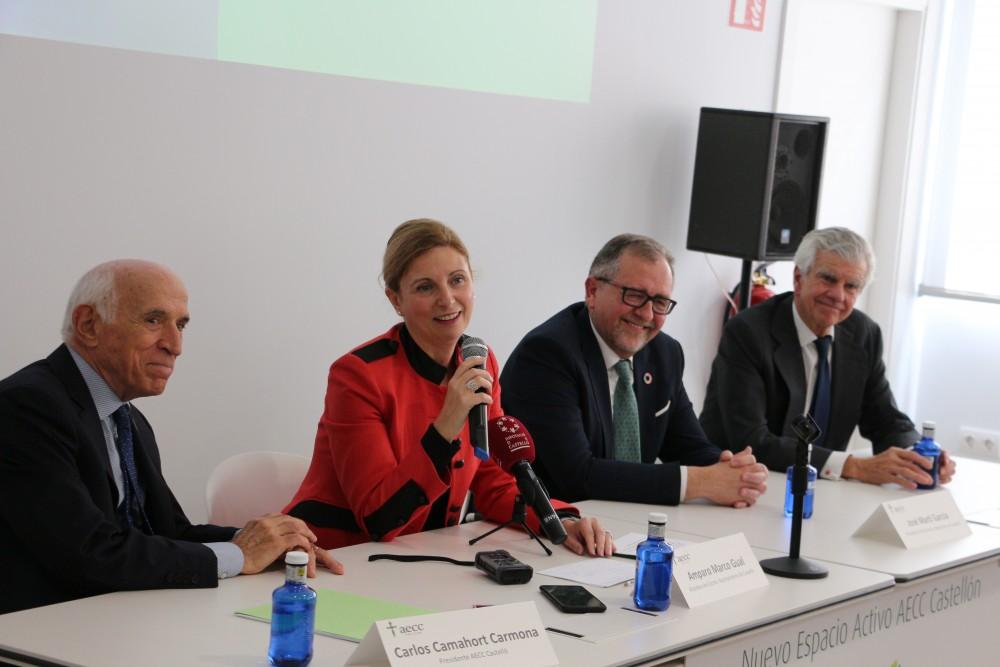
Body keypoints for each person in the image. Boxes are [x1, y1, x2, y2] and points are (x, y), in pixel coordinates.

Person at [0, 260, 343, 615]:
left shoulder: (127, 418)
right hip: (40, 629)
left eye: (180, 325)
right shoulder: (25, 407)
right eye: (153, 320)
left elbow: (166, 531)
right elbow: (86, 551)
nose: (175, 345)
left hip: (116, 619)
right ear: (88, 325)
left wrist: (268, 543)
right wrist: (240, 554)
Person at [284, 219, 614, 557]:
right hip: (334, 558)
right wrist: (446, 424)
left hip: (421, 556)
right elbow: (378, 519)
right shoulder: (357, 376)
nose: (447, 299)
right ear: (396, 300)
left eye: (457, 280)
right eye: (425, 287)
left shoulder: (479, 361)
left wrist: (559, 519)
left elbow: (492, 481)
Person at [501, 234, 768, 506]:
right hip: (551, 522)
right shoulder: (548, 355)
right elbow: (578, 476)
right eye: (635, 295)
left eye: (660, 302)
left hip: (627, 521)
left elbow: (688, 445)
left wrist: (731, 470)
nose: (647, 314)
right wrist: (700, 482)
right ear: (592, 291)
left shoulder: (665, 353)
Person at [700, 227, 956, 487]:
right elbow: (751, 441)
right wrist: (852, 466)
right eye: (828, 279)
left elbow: (885, 420)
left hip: (820, 486)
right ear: (799, 278)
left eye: (851, 286)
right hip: (736, 483)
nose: (838, 295)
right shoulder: (748, 332)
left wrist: (919, 456)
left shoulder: (864, 334)